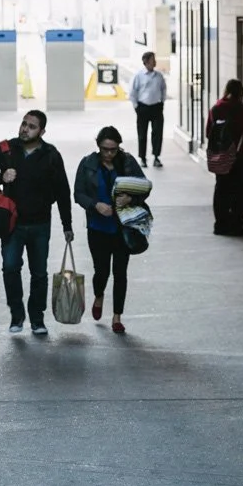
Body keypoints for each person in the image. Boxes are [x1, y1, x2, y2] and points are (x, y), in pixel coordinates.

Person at [0, 110, 74, 336]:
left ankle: (37, 319)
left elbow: (63, 191)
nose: (25, 129)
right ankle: (17, 314)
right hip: (12, 224)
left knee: (39, 273)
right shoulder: (6, 149)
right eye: (24, 124)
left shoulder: (51, 155)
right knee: (10, 268)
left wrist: (67, 225)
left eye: (32, 126)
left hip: (40, 223)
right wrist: (1, 177)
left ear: (42, 131)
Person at [72, 126, 145, 334]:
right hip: (98, 227)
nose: (110, 154)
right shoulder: (88, 164)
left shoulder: (127, 162)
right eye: (105, 149)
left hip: (123, 227)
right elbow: (78, 194)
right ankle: (99, 295)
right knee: (101, 271)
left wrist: (130, 198)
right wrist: (96, 205)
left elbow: (144, 187)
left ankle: (117, 317)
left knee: (120, 273)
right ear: (99, 146)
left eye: (114, 149)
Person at [206, 79, 243, 237]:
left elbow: (209, 131)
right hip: (239, 157)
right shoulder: (240, 110)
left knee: (221, 189)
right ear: (241, 93)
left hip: (220, 156)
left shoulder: (216, 108)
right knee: (238, 191)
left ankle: (220, 224)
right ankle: (236, 224)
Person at [129, 51, 167, 167]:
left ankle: (156, 157)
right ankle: (143, 158)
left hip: (156, 107)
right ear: (146, 62)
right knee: (142, 134)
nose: (154, 62)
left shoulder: (159, 76)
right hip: (143, 107)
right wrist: (136, 107)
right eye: (152, 60)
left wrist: (162, 102)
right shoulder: (138, 76)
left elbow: (163, 89)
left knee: (157, 133)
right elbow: (132, 92)